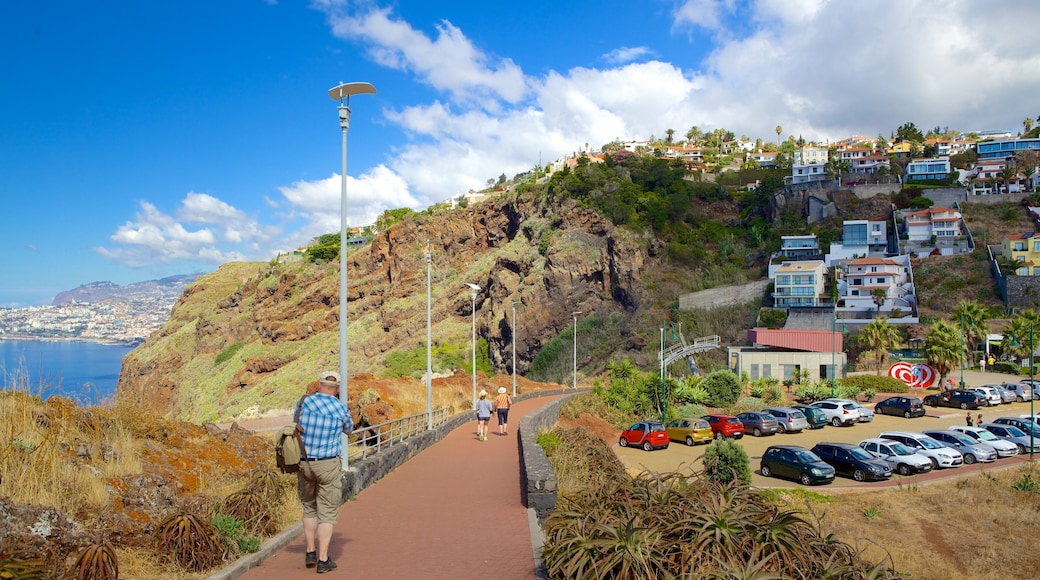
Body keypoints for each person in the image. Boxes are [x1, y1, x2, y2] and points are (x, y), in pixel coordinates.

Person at [297, 370, 354, 574]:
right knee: (327, 513)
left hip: (304, 463)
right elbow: (349, 429)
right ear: (337, 389)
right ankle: (323, 560)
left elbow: (297, 423)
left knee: (309, 507)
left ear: (318, 385)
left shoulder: (304, 402)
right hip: (328, 464)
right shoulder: (339, 407)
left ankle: (310, 551)